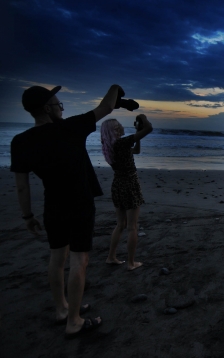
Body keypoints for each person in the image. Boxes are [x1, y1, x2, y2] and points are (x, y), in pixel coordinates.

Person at [11, 84, 126, 338]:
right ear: (46, 108)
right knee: (79, 260)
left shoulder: (20, 141)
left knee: (57, 257)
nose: (60, 108)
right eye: (57, 104)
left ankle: (62, 308)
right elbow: (106, 106)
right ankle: (74, 321)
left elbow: (22, 186)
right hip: (79, 203)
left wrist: (27, 216)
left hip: (52, 205)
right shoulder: (71, 127)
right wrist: (114, 87)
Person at [100, 115, 153, 271]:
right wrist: (142, 118)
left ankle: (111, 257)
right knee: (132, 227)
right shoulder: (122, 143)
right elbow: (149, 128)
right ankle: (131, 263)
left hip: (118, 184)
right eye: (118, 126)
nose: (122, 127)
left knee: (120, 224)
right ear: (115, 131)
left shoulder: (111, 146)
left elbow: (135, 150)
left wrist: (137, 134)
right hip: (129, 184)